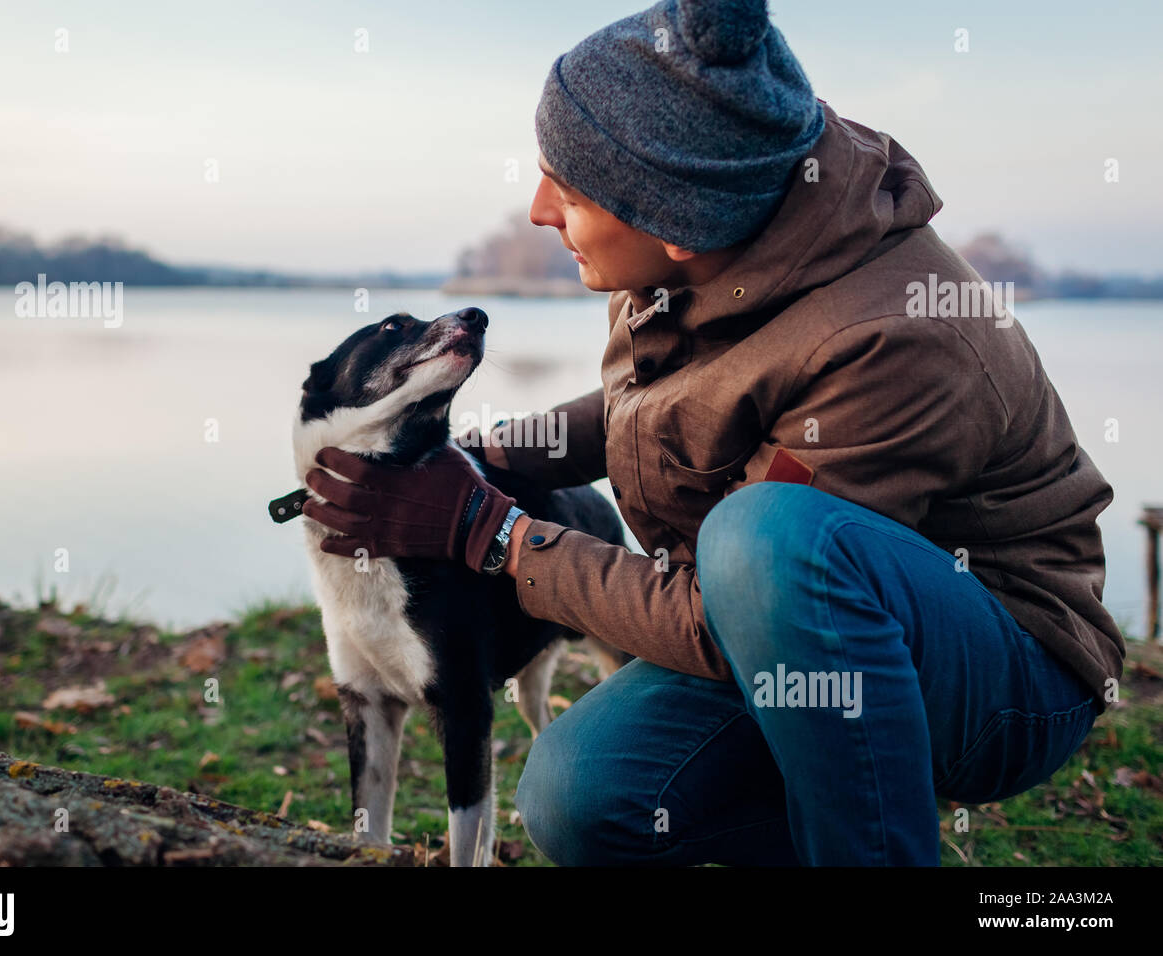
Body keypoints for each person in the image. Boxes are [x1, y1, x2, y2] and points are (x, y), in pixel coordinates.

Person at [301, 0, 1123, 865]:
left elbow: (737, 595)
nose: (539, 210)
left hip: (1003, 672)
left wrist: (490, 531)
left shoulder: (894, 340)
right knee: (580, 797)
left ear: (675, 225)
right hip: (799, 632)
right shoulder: (707, 235)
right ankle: (830, 803)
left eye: (569, 191)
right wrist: (481, 456)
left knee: (767, 535)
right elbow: (650, 412)